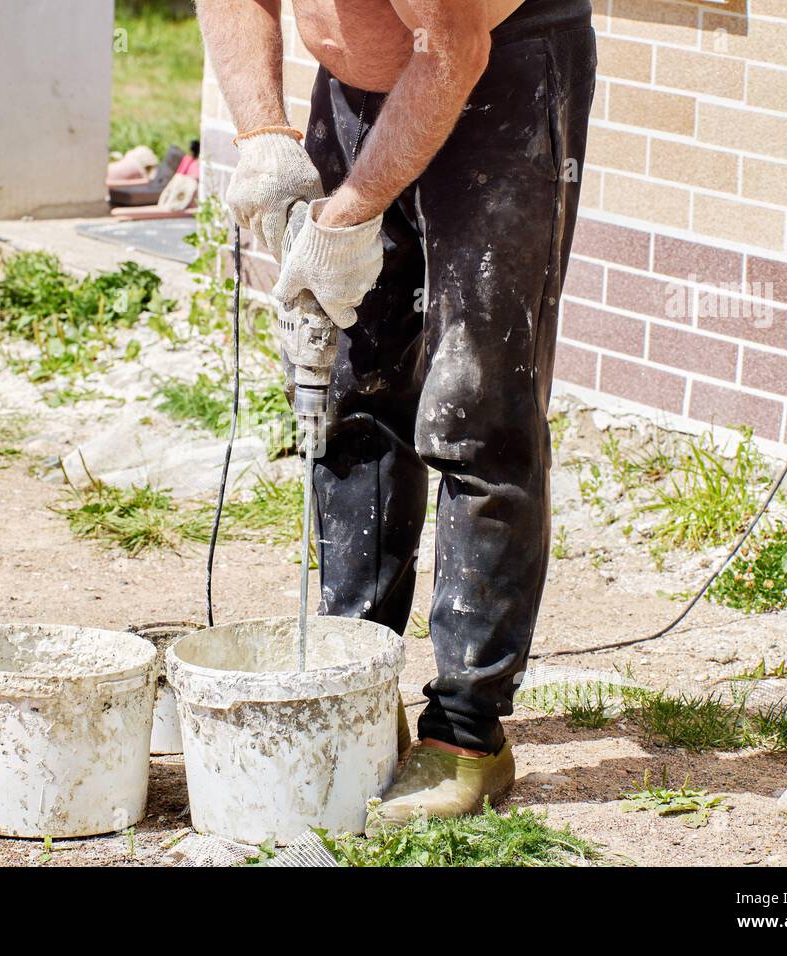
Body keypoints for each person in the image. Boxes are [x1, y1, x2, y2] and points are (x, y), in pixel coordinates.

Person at [196, 0, 596, 828]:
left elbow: (451, 47)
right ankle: (357, 676)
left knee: (475, 404)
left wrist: (348, 215)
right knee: (352, 387)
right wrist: (263, 135)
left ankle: (467, 731)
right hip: (359, 83)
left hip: (497, 74)